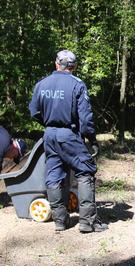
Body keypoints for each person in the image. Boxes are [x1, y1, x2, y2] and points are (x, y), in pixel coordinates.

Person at [28, 50, 107, 233]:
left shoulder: (42, 84)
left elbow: (34, 112)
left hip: (49, 135)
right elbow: (86, 119)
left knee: (54, 176)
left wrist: (49, 124)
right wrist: (92, 139)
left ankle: (60, 222)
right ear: (73, 66)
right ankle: (87, 222)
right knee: (85, 171)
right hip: (69, 135)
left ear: (57, 64)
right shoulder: (77, 85)